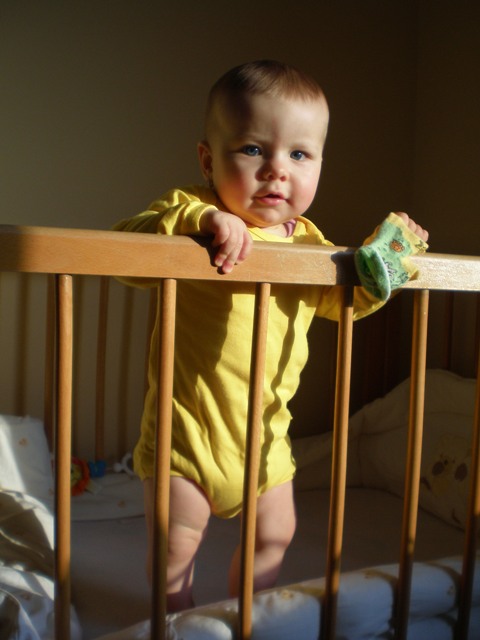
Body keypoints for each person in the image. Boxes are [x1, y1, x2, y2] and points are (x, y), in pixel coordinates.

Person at [113, 59, 429, 612]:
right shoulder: (191, 214)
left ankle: (248, 618)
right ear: (209, 161)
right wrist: (200, 223)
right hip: (186, 437)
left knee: (276, 535)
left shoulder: (311, 247)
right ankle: (176, 621)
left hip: (266, 440)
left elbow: (343, 305)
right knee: (175, 547)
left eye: (299, 155)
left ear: (320, 164)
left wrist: (384, 270)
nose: (277, 170)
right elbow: (123, 252)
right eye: (254, 149)